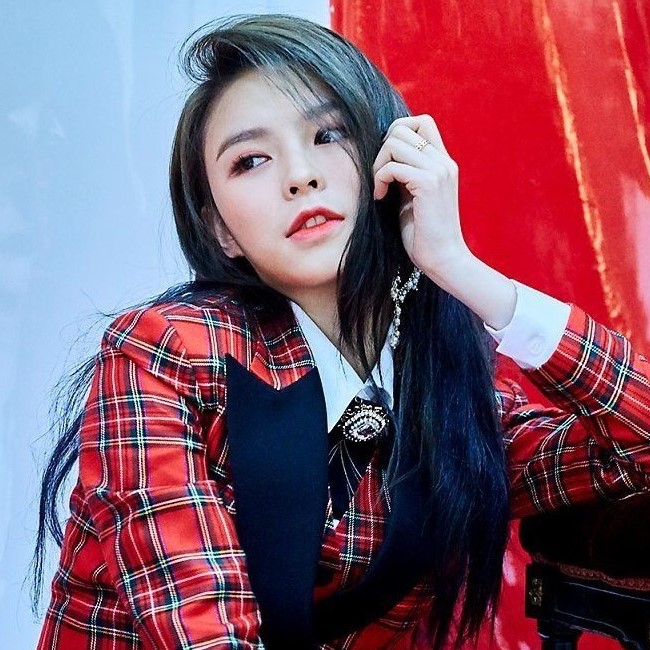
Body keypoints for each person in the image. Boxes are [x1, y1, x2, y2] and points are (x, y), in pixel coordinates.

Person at [33, 13, 650, 650]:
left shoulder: (456, 400)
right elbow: (200, 630)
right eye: (251, 160)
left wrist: (458, 267)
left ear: (392, 161)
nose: (299, 176)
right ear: (221, 231)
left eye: (328, 134)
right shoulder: (163, 353)